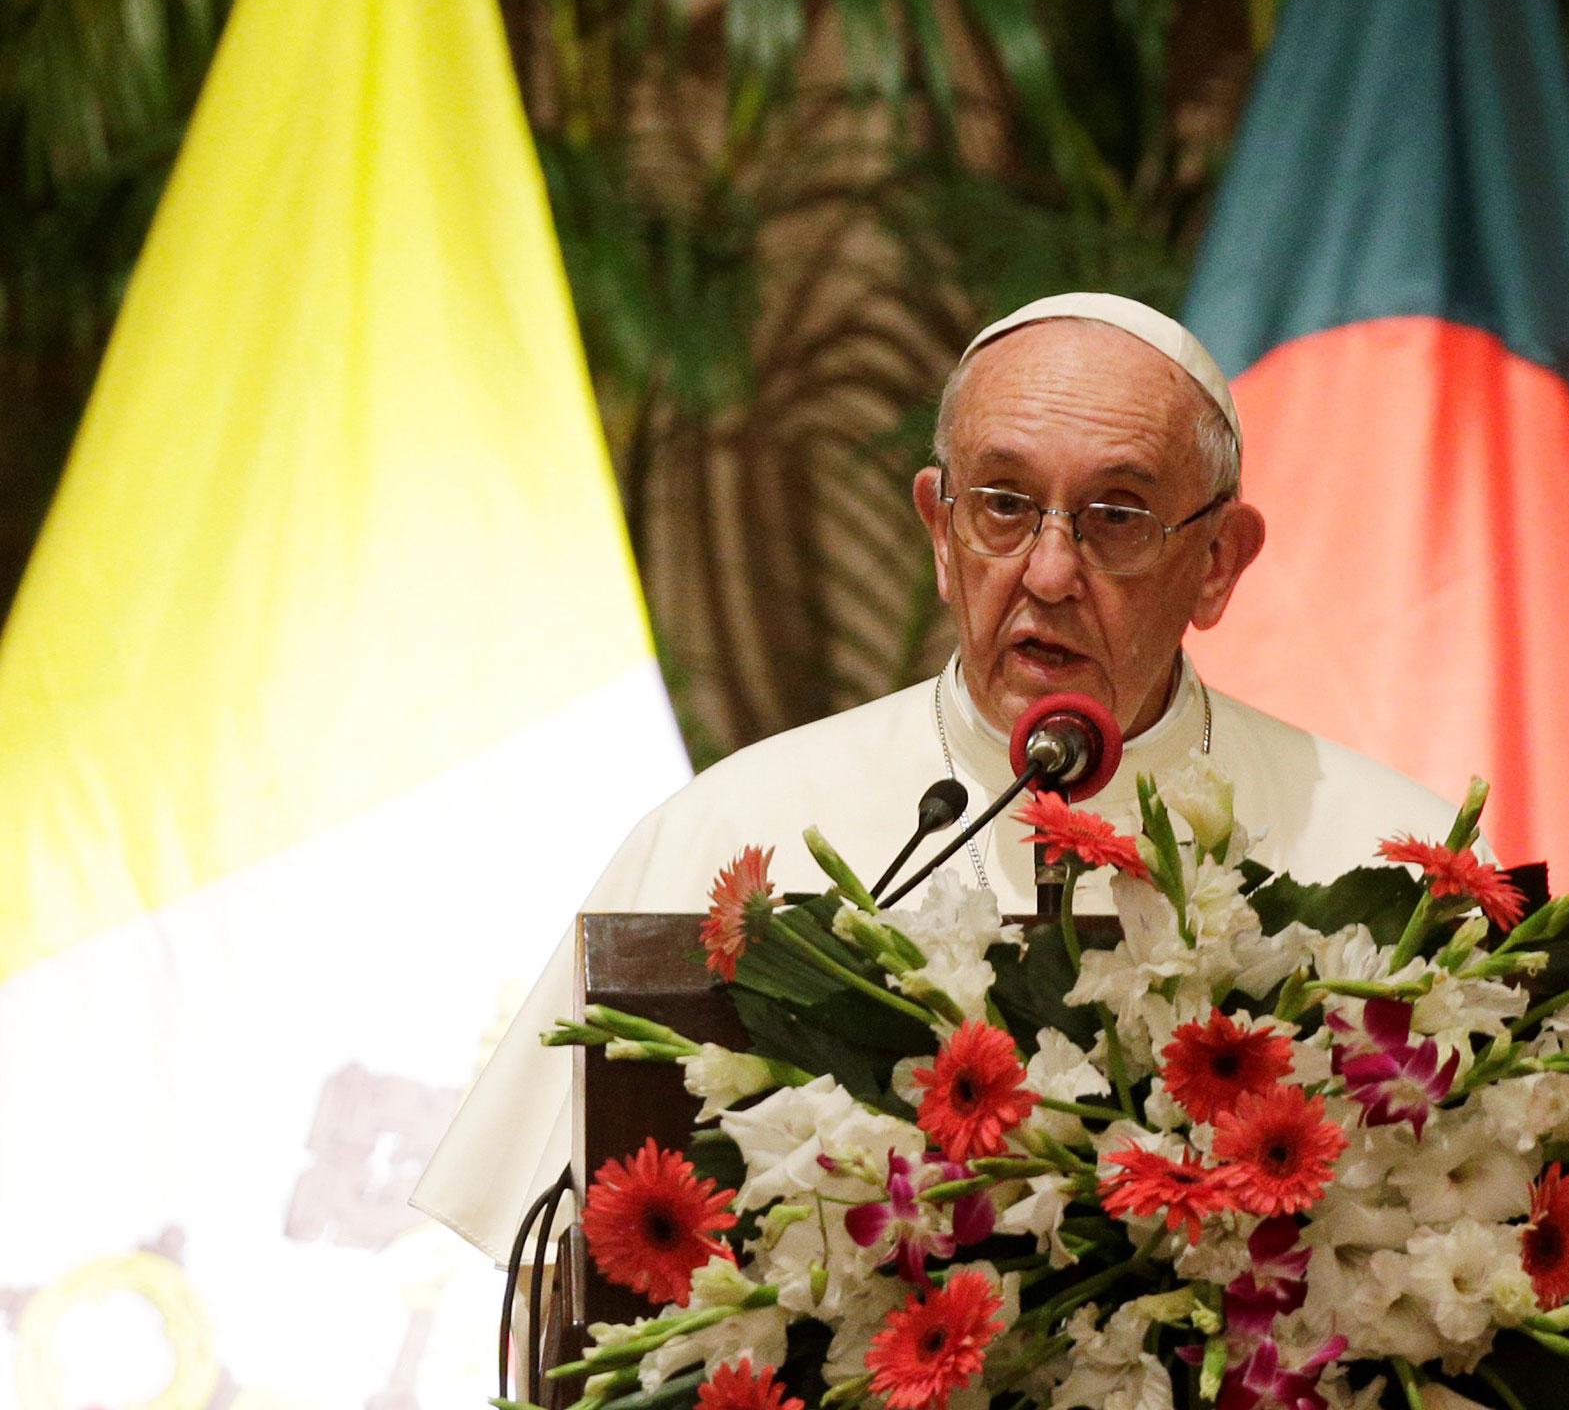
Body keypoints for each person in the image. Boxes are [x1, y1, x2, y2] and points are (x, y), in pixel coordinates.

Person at [412, 292, 1464, 1269]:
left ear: (1219, 562)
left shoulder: (1387, 858)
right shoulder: (740, 836)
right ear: (937, 528)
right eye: (1002, 506)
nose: (1049, 573)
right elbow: (560, 1279)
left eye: (1115, 518)